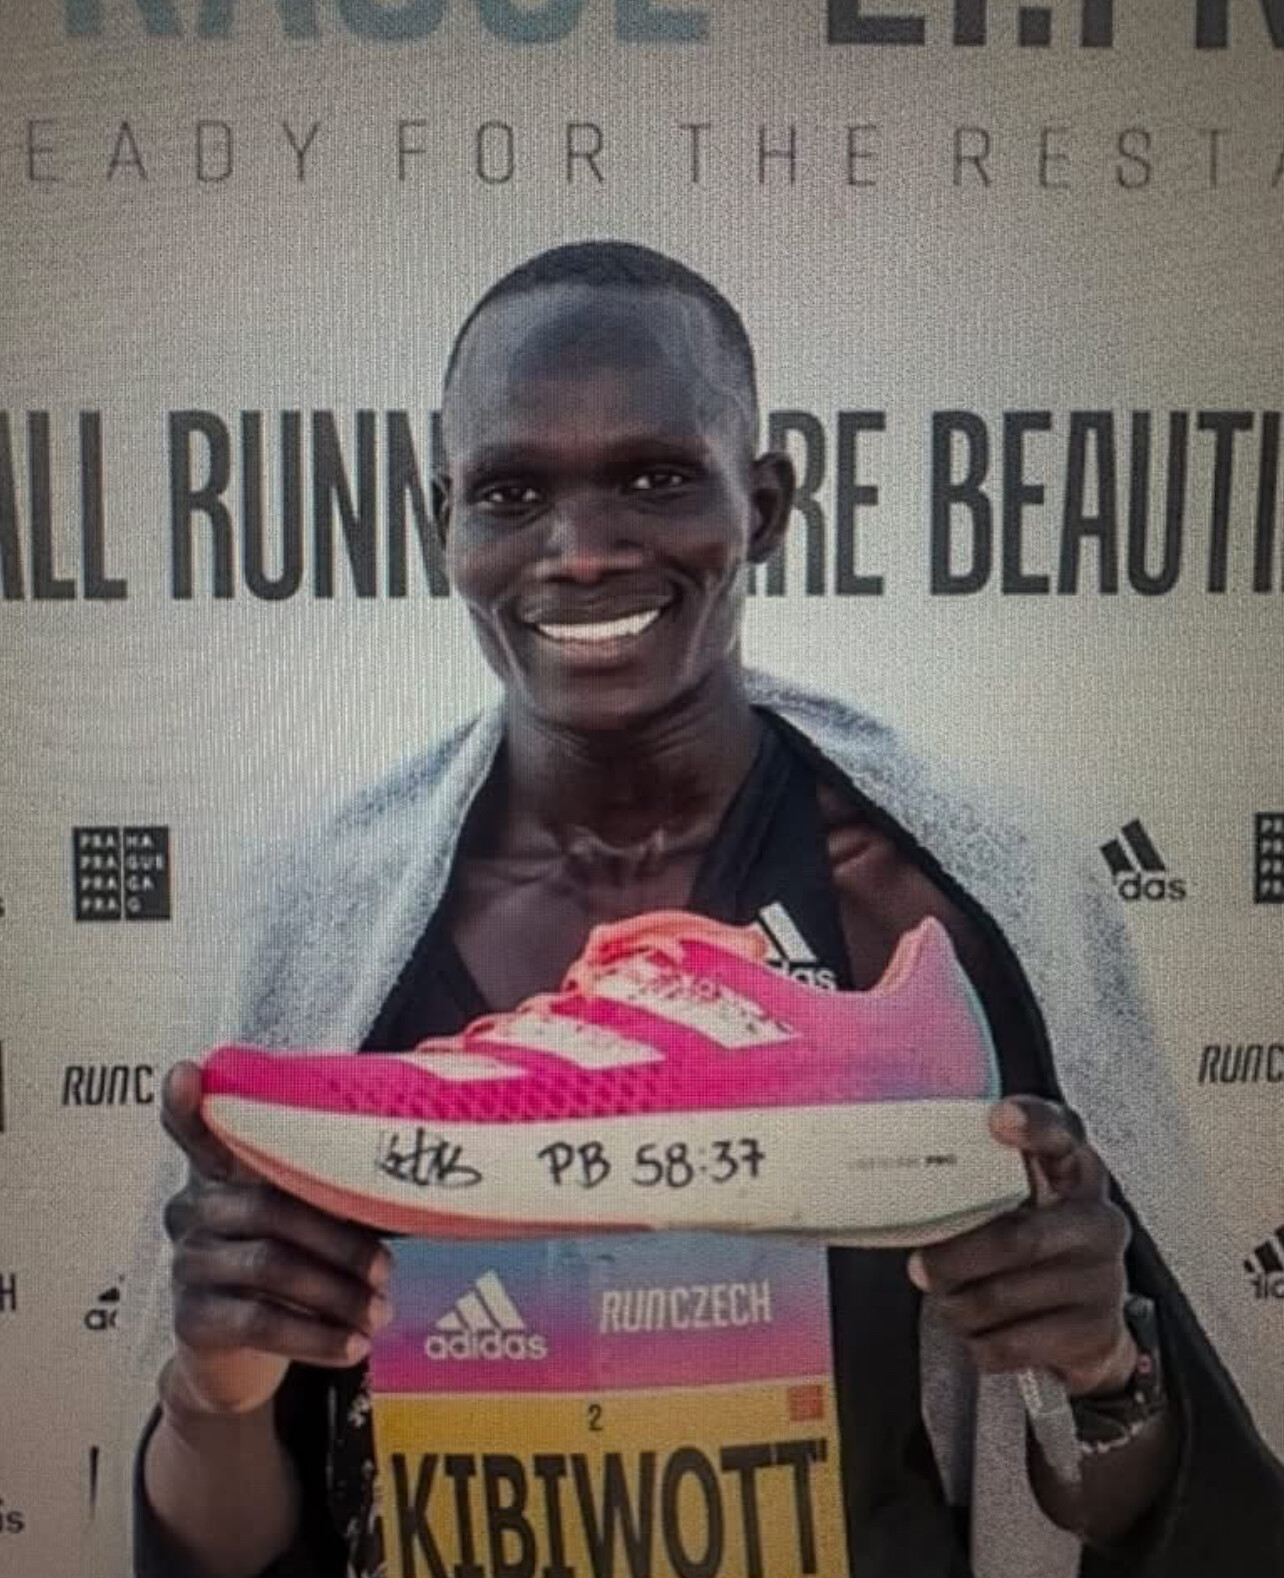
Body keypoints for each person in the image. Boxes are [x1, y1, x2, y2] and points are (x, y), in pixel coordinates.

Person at [130, 241, 1284, 1578]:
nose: (581, 551)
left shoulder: (950, 907)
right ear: (445, 525)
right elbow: (225, 1547)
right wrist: (212, 1400)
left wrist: (1102, 1370)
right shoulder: (320, 931)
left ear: (766, 505)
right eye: (511, 491)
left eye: (655, 477)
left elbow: (1166, 1517)